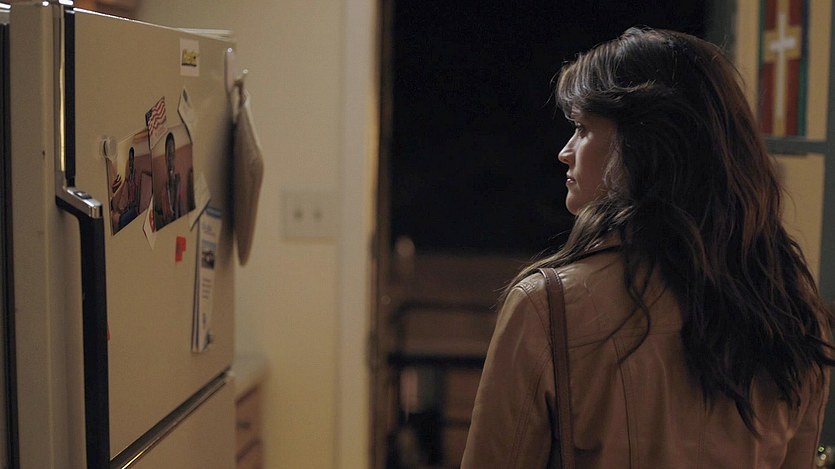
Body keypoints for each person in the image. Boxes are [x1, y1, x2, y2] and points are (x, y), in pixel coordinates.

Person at [461, 27, 835, 468]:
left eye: (582, 128)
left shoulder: (548, 306)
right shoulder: (789, 309)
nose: (565, 151)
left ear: (642, 144)